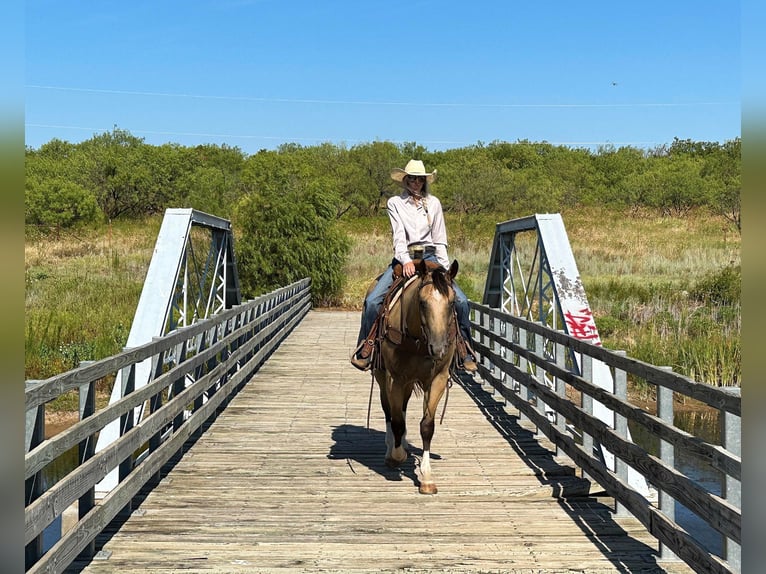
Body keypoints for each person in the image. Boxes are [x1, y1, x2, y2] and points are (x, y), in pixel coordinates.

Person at [350, 159, 477, 372]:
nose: (416, 182)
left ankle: (464, 349)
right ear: (405, 180)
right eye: (412, 178)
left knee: (462, 302)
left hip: (431, 257)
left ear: (425, 181)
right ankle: (367, 346)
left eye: (420, 179)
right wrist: (405, 260)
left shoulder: (434, 203)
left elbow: (440, 239)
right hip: (405, 256)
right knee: (372, 301)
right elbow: (398, 236)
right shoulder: (395, 203)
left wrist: (445, 271)